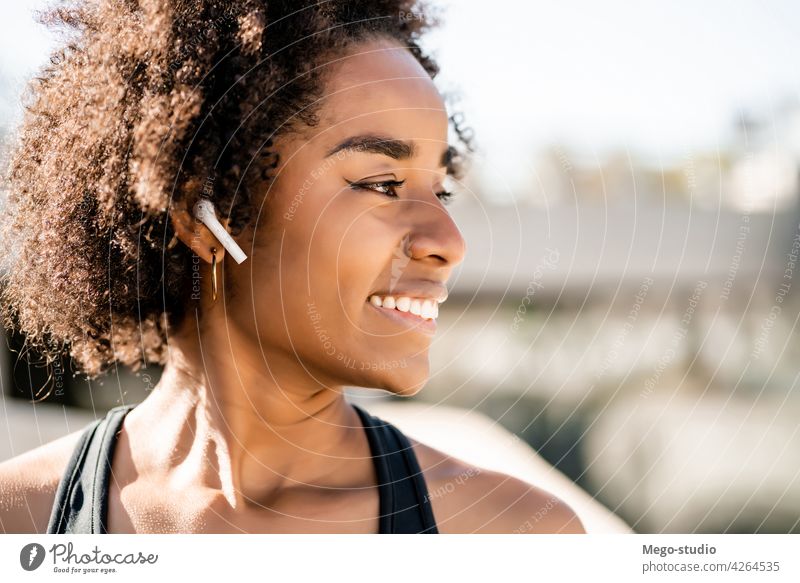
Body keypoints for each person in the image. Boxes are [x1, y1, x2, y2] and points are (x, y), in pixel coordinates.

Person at [0, 0, 585, 534]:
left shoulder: (514, 535)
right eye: (382, 184)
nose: (449, 242)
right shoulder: (16, 518)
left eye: (442, 192)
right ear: (205, 217)